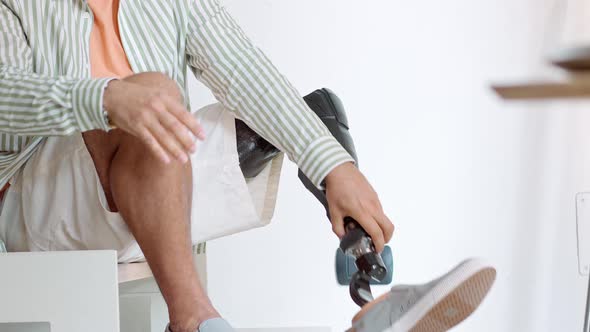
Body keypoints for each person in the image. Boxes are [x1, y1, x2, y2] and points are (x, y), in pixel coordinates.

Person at [0, 1, 495, 331]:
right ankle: (193, 319)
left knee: (315, 117)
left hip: (148, 196)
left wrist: (333, 168)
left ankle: (365, 285)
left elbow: (241, 69)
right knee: (157, 94)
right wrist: (106, 98)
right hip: (41, 202)